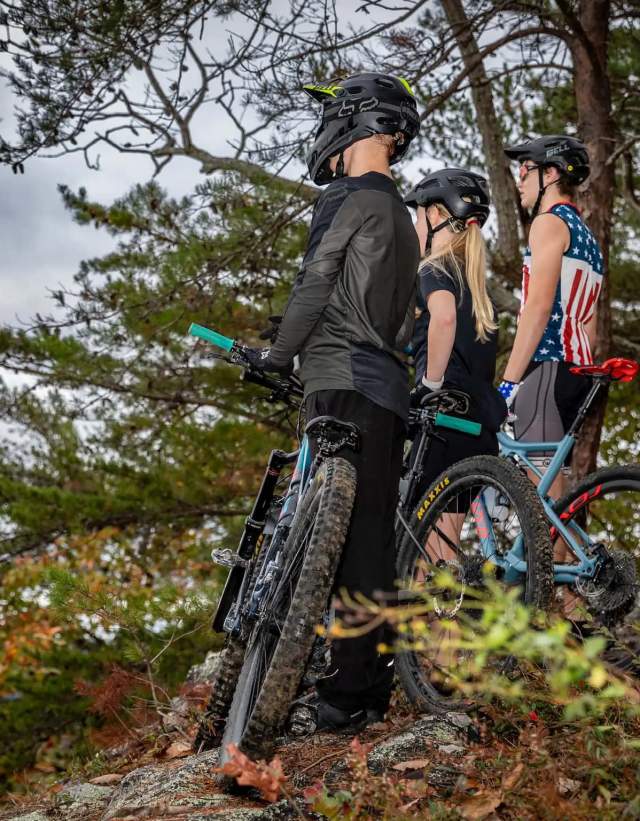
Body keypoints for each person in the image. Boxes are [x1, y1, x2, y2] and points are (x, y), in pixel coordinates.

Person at [244, 73, 421, 731]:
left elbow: (316, 282)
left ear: (353, 123)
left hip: (338, 377)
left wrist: (277, 353)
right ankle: (357, 696)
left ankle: (315, 688)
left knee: (330, 536)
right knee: (370, 540)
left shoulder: (347, 196)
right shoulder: (403, 216)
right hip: (388, 390)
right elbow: (403, 322)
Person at [499, 135, 603, 500]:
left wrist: (509, 383)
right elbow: (587, 324)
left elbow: (538, 308)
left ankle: (556, 558)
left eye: (525, 170)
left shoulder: (548, 224)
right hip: (578, 372)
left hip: (545, 368)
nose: (519, 180)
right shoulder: (587, 237)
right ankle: (579, 557)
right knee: (562, 500)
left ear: (552, 173)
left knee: (542, 498)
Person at [404, 168, 507, 502]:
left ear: (435, 214)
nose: (417, 226)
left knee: (424, 549)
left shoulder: (432, 269)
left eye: (418, 216)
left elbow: (444, 318)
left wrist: (430, 385)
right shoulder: (479, 291)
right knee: (446, 547)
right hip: (480, 425)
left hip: (443, 417)